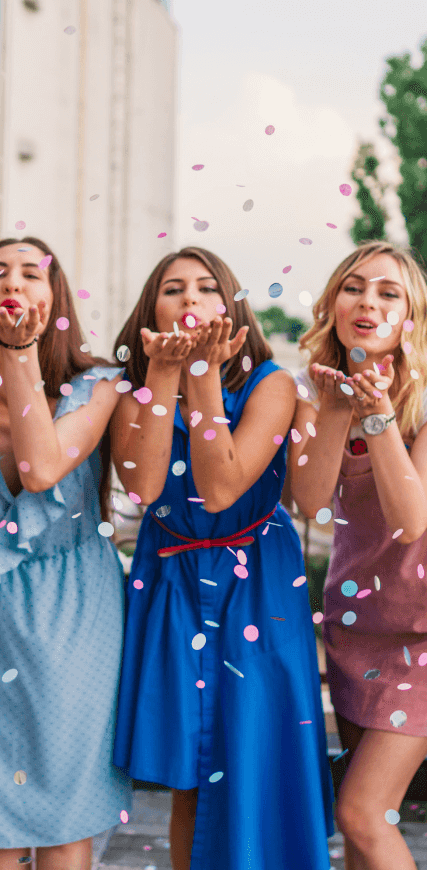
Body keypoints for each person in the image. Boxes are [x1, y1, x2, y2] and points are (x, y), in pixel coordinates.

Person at [111, 246, 334, 870]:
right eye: (172, 288)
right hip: (172, 581)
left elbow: (222, 487)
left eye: (206, 288)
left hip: (257, 581)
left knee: (256, 751)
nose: (189, 299)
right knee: (190, 769)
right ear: (151, 309)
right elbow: (144, 487)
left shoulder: (271, 384)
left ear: (230, 306)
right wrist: (164, 378)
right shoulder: (132, 392)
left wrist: (205, 376)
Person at [0, 237, 132, 870]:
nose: (11, 281)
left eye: (30, 273)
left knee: (67, 798)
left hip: (77, 599)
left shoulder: (100, 385)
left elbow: (40, 468)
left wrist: (19, 357)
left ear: (53, 297)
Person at [290, 241, 427, 870]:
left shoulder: (422, 402)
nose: (367, 301)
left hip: (419, 641)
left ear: (410, 317)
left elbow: (410, 522)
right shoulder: (317, 391)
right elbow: (312, 503)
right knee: (362, 824)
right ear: (333, 305)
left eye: (388, 292)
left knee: (362, 813)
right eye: (353, 287)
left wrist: (375, 417)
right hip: (355, 632)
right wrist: (340, 408)